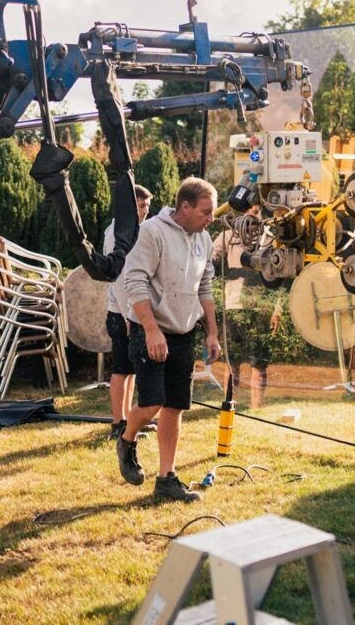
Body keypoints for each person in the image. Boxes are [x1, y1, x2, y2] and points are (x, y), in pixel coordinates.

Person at [116, 176, 220, 502]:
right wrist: (150, 329)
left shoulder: (203, 238)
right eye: (205, 212)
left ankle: (166, 480)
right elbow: (134, 282)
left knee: (174, 406)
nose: (210, 219)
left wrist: (213, 332)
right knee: (151, 404)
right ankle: (127, 439)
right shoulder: (152, 233)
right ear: (184, 206)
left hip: (183, 334)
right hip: (151, 331)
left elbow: (205, 287)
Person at [211, 204, 282, 407]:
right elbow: (210, 256)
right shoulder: (229, 236)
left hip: (260, 306)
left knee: (259, 361)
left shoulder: (270, 238)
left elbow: (279, 274)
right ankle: (228, 403)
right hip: (234, 303)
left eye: (258, 209)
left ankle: (256, 407)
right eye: (251, 208)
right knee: (232, 360)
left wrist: (276, 308)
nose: (254, 212)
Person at [104, 184, 153, 441]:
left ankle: (129, 419)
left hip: (131, 312)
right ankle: (117, 423)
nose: (145, 211)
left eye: (147, 206)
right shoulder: (117, 233)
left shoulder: (138, 230)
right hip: (121, 312)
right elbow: (120, 279)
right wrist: (126, 316)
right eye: (140, 206)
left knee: (132, 370)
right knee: (121, 370)